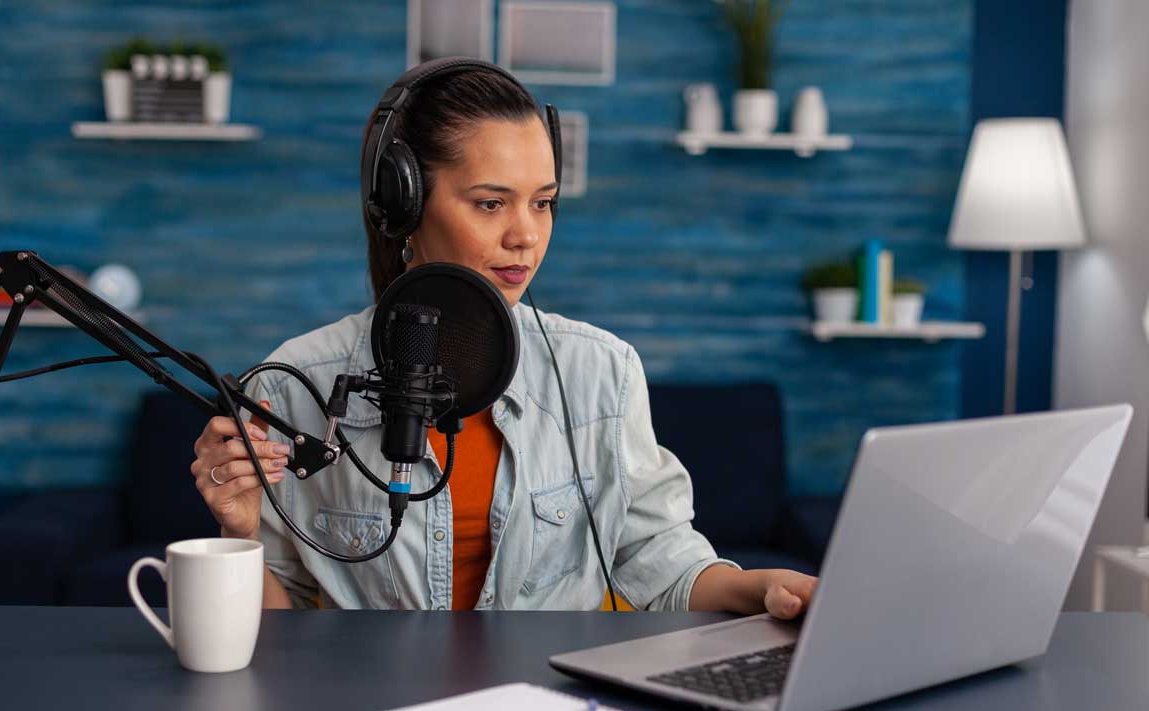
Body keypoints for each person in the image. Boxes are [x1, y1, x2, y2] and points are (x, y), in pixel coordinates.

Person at [190, 60, 818, 616]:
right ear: (404, 207)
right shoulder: (293, 384)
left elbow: (663, 566)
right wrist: (239, 534)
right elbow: (280, 629)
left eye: (542, 203)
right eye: (491, 204)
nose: (526, 236)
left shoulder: (601, 371)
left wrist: (765, 587)